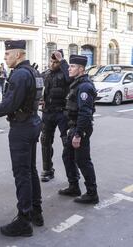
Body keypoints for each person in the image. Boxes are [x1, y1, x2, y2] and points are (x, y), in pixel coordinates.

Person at [0, 40, 43, 237]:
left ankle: (24, 221)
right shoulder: (33, 71)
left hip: (22, 128)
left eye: (8, 54)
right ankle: (36, 212)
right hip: (32, 123)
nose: (5, 58)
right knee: (30, 171)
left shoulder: (20, 74)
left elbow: (8, 105)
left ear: (19, 54)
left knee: (22, 174)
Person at [58, 54, 99, 204]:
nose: (69, 69)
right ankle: (74, 186)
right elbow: (67, 75)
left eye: (72, 66)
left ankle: (92, 193)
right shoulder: (77, 82)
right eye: (69, 66)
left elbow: (85, 113)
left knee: (83, 160)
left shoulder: (85, 87)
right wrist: (61, 61)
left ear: (81, 69)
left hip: (80, 129)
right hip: (73, 127)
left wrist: (78, 134)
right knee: (67, 157)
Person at [40, 49, 71, 182]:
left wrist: (63, 61)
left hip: (62, 113)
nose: (52, 64)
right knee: (45, 140)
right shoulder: (46, 74)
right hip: (48, 113)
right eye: (51, 61)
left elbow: (70, 79)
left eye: (55, 62)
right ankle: (47, 170)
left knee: (67, 143)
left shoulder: (66, 73)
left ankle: (72, 176)